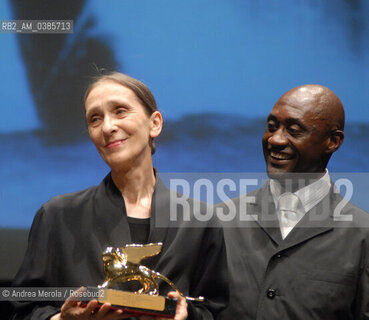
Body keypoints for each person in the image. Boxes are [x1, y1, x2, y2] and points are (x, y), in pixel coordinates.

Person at [11, 72, 228, 320]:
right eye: (95, 119)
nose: (107, 126)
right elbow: (22, 310)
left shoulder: (200, 220)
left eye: (120, 111)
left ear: (154, 123)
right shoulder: (57, 215)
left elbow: (214, 310)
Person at [217, 85, 369, 319]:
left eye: (294, 130)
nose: (275, 140)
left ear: (333, 141)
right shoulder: (219, 221)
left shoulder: (362, 235)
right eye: (271, 127)